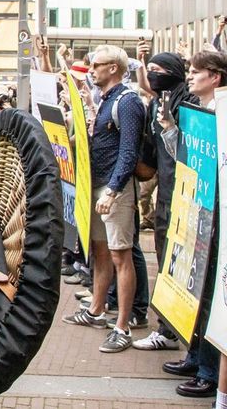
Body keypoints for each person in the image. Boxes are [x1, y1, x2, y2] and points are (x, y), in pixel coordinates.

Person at [153, 51, 227, 398]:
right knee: (195, 287)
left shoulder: (221, 115)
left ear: (216, 77)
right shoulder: (196, 114)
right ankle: (195, 356)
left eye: (197, 72)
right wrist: (170, 131)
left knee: (211, 296)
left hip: (216, 220)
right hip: (196, 210)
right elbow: (184, 157)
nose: (191, 77)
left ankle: (210, 372)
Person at [62, 45, 145, 354]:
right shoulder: (107, 100)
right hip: (98, 185)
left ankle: (122, 326)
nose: (92, 68)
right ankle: (97, 309)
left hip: (114, 189)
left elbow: (129, 150)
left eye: (96, 64)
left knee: (121, 255)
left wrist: (112, 190)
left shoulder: (127, 102)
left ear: (114, 68)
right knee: (100, 252)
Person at [132, 51, 198, 353]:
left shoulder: (191, 104)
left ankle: (187, 338)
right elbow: (148, 159)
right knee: (166, 263)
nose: (153, 74)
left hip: (192, 198)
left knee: (188, 269)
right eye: (150, 69)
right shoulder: (155, 104)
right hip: (166, 198)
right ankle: (168, 330)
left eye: (159, 69)